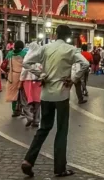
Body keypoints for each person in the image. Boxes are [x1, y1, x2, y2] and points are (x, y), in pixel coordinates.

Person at [21, 25, 89, 178]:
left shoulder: (45, 48)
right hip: (62, 94)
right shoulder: (71, 49)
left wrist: (41, 74)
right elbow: (85, 64)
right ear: (68, 36)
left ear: (56, 34)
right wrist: (73, 79)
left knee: (43, 128)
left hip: (46, 94)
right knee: (61, 130)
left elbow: (26, 63)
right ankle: (60, 168)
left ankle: (28, 160)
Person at [19, 42, 42, 128]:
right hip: (38, 81)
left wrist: (21, 80)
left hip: (27, 81)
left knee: (25, 100)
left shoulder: (28, 56)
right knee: (37, 102)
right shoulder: (41, 57)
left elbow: (24, 70)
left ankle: (29, 117)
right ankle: (36, 120)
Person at [4, 41, 27, 117]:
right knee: (23, 94)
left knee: (13, 94)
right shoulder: (24, 53)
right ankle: (24, 110)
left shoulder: (10, 53)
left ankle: (15, 110)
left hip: (12, 76)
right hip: (22, 76)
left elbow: (5, 64)